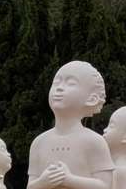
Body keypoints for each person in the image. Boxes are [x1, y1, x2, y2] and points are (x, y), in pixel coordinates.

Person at [27, 61, 114, 189]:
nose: (59, 88)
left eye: (71, 83)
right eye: (56, 82)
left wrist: (69, 180)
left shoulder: (94, 141)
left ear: (92, 99)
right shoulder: (39, 143)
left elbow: (105, 185)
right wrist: (43, 182)